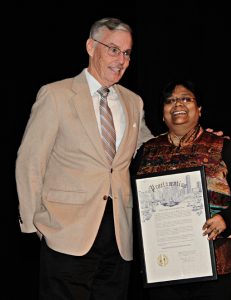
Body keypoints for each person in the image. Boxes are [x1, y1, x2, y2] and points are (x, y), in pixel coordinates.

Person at [15, 17, 154, 300]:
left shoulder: (133, 101)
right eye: (113, 49)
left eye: (127, 53)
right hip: (65, 232)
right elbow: (30, 160)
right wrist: (34, 225)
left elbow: (151, 151)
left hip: (118, 236)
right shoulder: (55, 95)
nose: (122, 60)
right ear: (91, 46)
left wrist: (192, 140)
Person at [130, 79, 231, 300]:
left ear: (199, 110)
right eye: (170, 101)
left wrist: (225, 220)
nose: (177, 104)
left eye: (186, 99)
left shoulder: (221, 146)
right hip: (162, 268)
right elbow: (131, 202)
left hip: (215, 266)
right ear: (162, 114)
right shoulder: (147, 151)